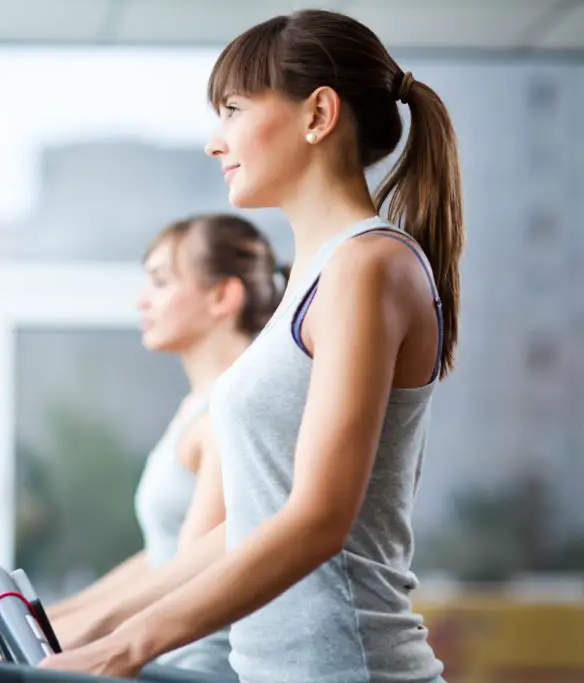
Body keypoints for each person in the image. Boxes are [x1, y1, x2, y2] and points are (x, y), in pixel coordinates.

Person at [39, 8, 463, 683]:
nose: (216, 140)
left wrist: (127, 646)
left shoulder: (367, 266)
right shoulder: (316, 276)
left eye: (233, 109)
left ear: (318, 114)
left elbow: (319, 517)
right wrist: (85, 625)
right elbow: (246, 525)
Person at [44, 213, 285, 676]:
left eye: (160, 282)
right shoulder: (197, 407)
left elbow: (193, 569)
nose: (143, 300)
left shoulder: (226, 412)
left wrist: (90, 633)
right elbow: (163, 556)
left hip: (194, 667)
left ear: (222, 296)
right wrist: (57, 620)